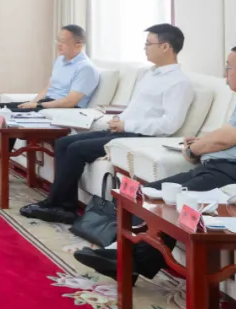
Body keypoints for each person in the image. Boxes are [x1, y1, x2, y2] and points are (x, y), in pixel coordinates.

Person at [74, 44, 236, 281]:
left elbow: (222, 140)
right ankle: (126, 257)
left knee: (166, 199)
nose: (225, 74)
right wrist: (202, 144)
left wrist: (192, 150)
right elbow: (231, 138)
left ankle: (127, 259)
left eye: (229, 68)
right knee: (152, 192)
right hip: (227, 169)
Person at [20, 23, 195, 223]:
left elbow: (169, 125)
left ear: (165, 47)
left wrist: (126, 126)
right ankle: (62, 205)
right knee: (63, 143)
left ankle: (59, 206)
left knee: (76, 149)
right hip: (124, 130)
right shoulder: (149, 74)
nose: (144, 48)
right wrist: (120, 119)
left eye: (149, 44)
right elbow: (137, 108)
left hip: (140, 137)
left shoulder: (179, 83)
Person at [0, 24, 101, 180]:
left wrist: (38, 106)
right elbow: (48, 87)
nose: (58, 44)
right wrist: (32, 102)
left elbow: (70, 101)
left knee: (7, 116)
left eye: (63, 41)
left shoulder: (86, 68)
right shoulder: (61, 60)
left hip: (62, 110)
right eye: (58, 40)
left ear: (78, 44)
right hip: (47, 104)